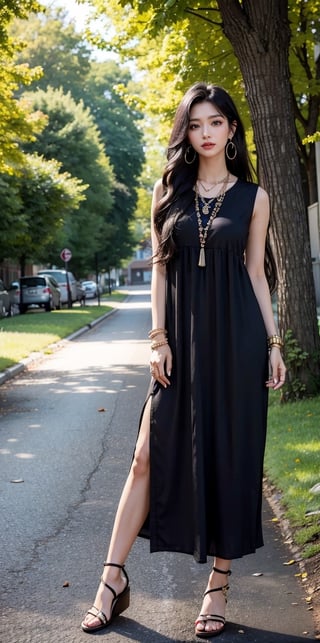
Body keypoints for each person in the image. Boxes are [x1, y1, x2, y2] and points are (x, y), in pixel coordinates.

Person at [81, 82, 286, 638]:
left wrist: (273, 344)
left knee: (230, 458)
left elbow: (255, 274)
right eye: (195, 125)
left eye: (215, 122)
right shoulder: (165, 192)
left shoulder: (255, 197)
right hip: (180, 344)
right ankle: (112, 579)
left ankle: (218, 587)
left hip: (237, 341)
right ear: (186, 132)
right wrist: (157, 336)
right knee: (147, 453)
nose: (205, 134)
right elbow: (160, 269)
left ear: (232, 129)